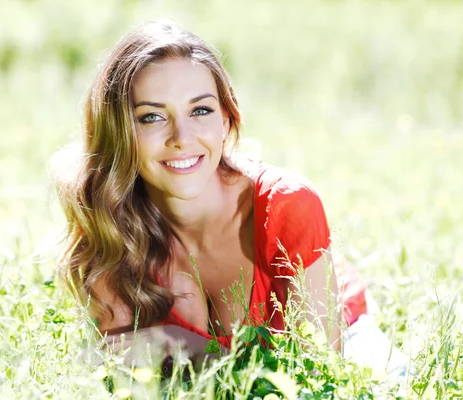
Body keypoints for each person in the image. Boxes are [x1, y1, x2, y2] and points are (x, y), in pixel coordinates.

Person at [52, 19, 371, 368]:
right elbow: (112, 363)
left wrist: (182, 345)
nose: (182, 137)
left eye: (200, 110)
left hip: (351, 337)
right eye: (151, 117)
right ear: (118, 132)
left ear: (225, 121)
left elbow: (319, 369)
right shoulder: (113, 221)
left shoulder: (288, 204)